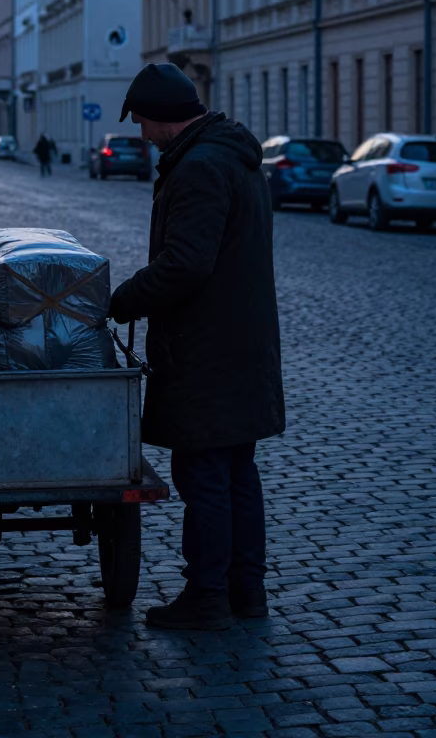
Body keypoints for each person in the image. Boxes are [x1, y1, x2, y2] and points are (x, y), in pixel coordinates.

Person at [108, 62, 284, 631]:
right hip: (242, 345)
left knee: (205, 475)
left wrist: (121, 300)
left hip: (207, 350)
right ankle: (246, 592)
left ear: (164, 118)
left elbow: (186, 265)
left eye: (142, 122)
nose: (141, 134)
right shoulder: (233, 159)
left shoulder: (201, 169)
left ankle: (208, 596)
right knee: (236, 473)